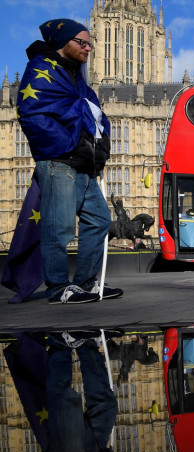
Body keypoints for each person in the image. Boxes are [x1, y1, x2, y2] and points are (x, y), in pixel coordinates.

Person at [17, 19, 123, 304]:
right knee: (59, 227)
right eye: (83, 42)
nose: (88, 48)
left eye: (91, 43)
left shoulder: (77, 77)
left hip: (85, 165)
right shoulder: (42, 70)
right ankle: (58, 288)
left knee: (100, 220)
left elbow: (96, 115)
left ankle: (86, 282)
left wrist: (100, 148)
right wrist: (65, 145)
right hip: (60, 162)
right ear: (65, 42)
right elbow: (31, 114)